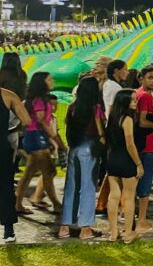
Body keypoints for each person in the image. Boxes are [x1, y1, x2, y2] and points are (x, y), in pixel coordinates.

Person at [58, 76, 105, 240]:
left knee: (71, 187)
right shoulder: (96, 108)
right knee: (87, 187)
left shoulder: (72, 108)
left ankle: (64, 227)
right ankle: (85, 228)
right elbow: (100, 132)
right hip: (90, 149)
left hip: (74, 148)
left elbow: (68, 127)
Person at [14, 72, 66, 216]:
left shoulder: (36, 99)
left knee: (36, 172)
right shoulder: (39, 100)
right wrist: (56, 140)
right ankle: (55, 204)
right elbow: (42, 120)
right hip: (36, 137)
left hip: (35, 137)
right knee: (44, 171)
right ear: (42, 82)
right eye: (49, 79)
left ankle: (20, 203)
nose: (52, 81)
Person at [104, 89, 143, 243]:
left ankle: (113, 232)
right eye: (132, 100)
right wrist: (139, 163)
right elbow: (130, 143)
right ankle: (128, 233)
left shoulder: (113, 118)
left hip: (112, 159)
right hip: (126, 161)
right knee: (128, 198)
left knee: (113, 196)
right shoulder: (127, 119)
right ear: (124, 101)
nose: (135, 102)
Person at [132, 65, 153, 233]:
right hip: (147, 145)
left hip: (140, 144)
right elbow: (143, 122)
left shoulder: (140, 94)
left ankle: (131, 217)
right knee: (145, 184)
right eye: (150, 77)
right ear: (141, 79)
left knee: (133, 183)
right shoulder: (145, 96)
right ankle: (142, 219)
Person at [1, 80, 31, 243]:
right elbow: (26, 120)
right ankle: (8, 229)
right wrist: (10, 129)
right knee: (6, 186)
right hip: (3, 146)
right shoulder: (8, 95)